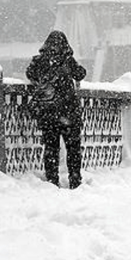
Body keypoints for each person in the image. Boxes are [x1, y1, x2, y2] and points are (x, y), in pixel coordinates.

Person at [26, 30, 87, 189]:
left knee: (51, 149)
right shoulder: (67, 61)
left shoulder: (40, 61)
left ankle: (52, 180)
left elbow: (30, 74)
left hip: (48, 113)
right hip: (68, 113)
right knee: (73, 149)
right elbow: (80, 74)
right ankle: (75, 179)